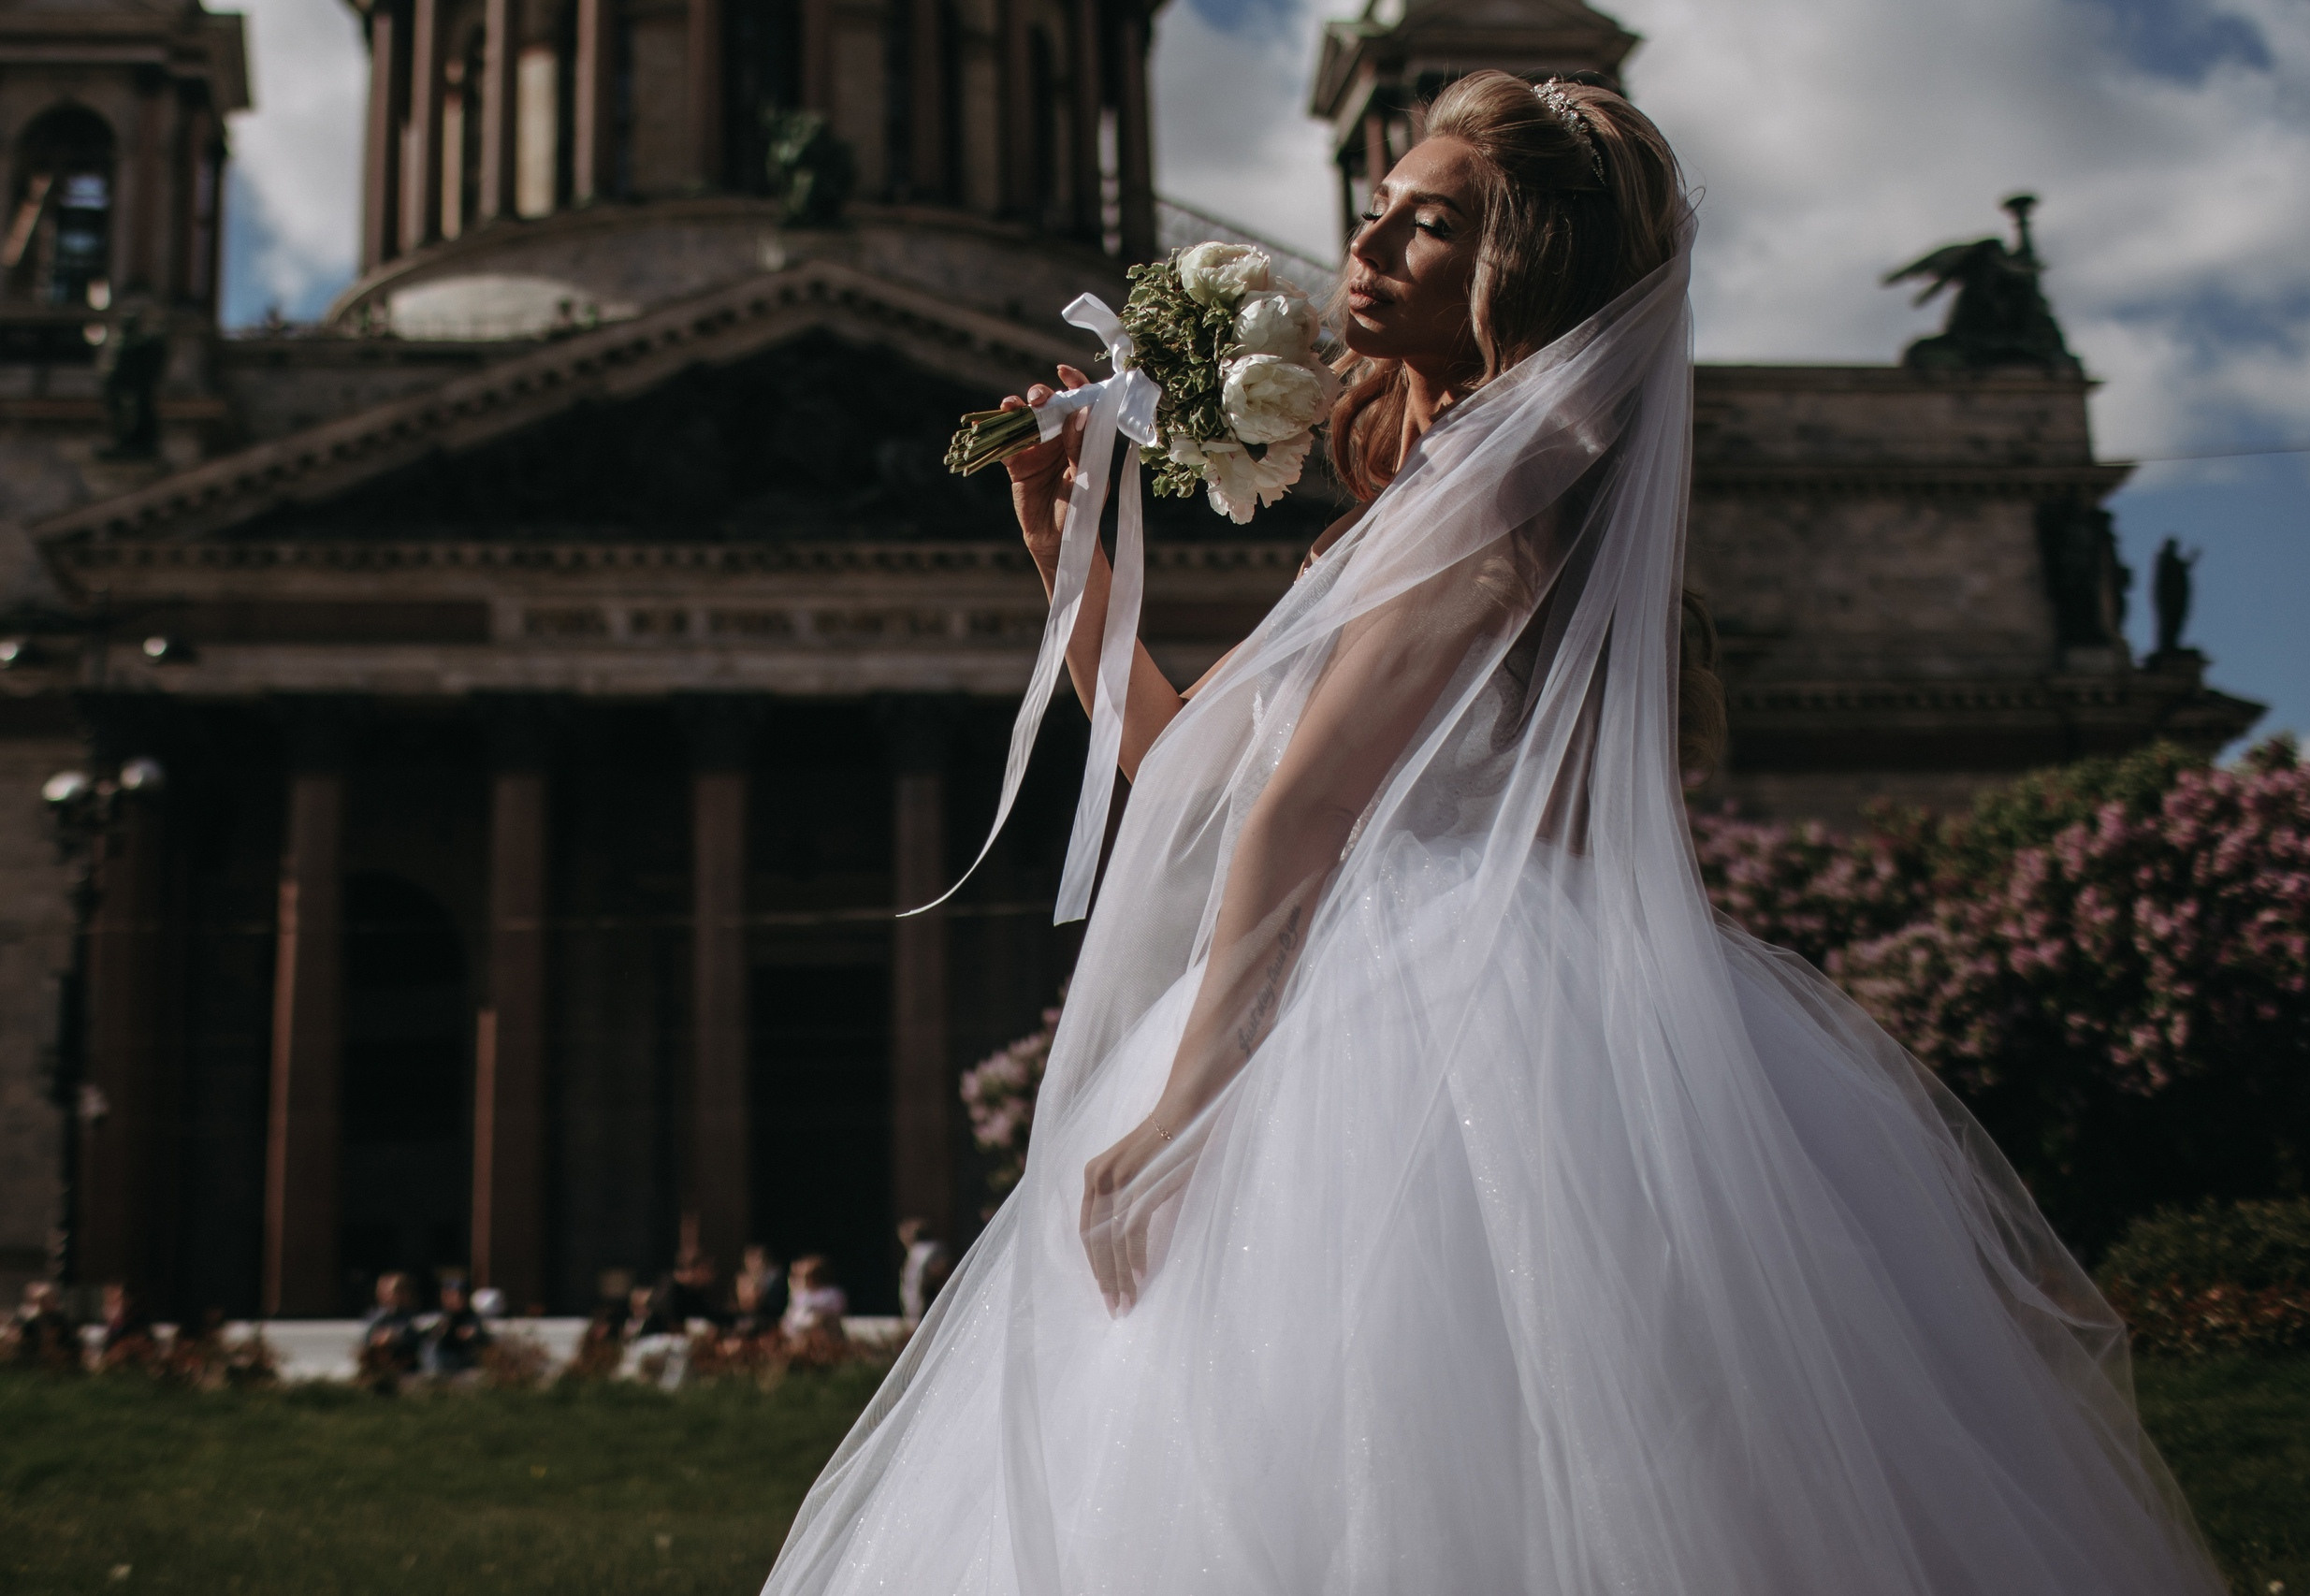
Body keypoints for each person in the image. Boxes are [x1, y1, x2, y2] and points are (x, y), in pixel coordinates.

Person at [762, 74, 2223, 1596]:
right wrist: (1073, 565)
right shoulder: (1450, 483)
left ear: (1523, 268)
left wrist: (1183, 1106)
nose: (1368, 242)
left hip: (1423, 1026)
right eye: (1378, 206)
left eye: (1433, 224)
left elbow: (1304, 806)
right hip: (1431, 1003)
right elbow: (1200, 769)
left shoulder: (1501, 474)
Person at [357, 1270, 421, 1384]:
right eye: (381, 1291)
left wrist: (395, 1337)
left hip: (407, 1366)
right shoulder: (376, 1316)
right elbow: (367, 1340)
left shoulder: (415, 1318)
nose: (383, 1295)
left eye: (389, 1291)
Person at [421, 1274, 489, 1377]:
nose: (454, 1299)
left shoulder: (472, 1317)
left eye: (459, 1295)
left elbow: (481, 1335)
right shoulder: (437, 1317)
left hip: (464, 1363)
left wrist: (470, 1334)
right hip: (439, 1364)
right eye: (448, 1295)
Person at [893, 1219, 949, 1329]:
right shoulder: (915, 1252)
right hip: (917, 1308)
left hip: (929, 1306)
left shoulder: (927, 1251)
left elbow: (939, 1270)